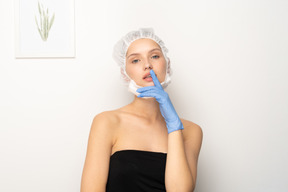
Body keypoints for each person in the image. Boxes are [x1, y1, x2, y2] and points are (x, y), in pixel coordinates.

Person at [81, 28, 203, 192]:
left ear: (167, 65)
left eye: (154, 56)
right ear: (125, 73)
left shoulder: (190, 131)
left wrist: (174, 126)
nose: (147, 65)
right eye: (135, 60)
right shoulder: (107, 122)